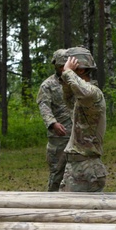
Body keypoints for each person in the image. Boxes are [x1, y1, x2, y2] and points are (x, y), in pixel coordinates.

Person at [57, 46, 116, 230]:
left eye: (71, 68)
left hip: (84, 169)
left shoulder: (93, 94)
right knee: (84, 227)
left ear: (81, 69)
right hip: (80, 168)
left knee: (75, 228)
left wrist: (69, 73)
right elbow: (68, 97)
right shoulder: (81, 96)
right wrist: (67, 77)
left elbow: (82, 91)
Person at [37, 48, 74, 192]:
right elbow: (44, 106)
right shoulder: (48, 85)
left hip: (78, 134)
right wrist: (52, 124)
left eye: (65, 65)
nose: (63, 68)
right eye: (60, 66)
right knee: (57, 172)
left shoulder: (75, 82)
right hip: (59, 136)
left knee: (78, 172)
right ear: (55, 65)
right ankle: (51, 202)